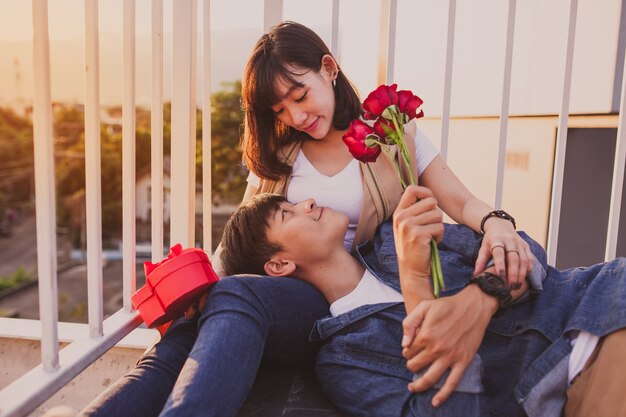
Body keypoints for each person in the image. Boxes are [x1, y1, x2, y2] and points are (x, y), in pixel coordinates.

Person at [80, 21, 530, 416]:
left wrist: (496, 221)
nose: (296, 116)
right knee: (180, 337)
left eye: (300, 95)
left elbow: (460, 201)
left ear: (329, 69)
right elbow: (245, 230)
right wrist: (204, 287)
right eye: (279, 110)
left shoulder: (392, 132)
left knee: (229, 299)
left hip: (351, 294)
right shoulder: (278, 153)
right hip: (287, 288)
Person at [219, 189, 626, 417]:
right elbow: (453, 413)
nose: (306, 203)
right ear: (279, 264)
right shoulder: (343, 359)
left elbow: (527, 254)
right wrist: (416, 284)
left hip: (601, 296)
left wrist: (481, 299)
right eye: (288, 213)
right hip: (571, 383)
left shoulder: (391, 238)